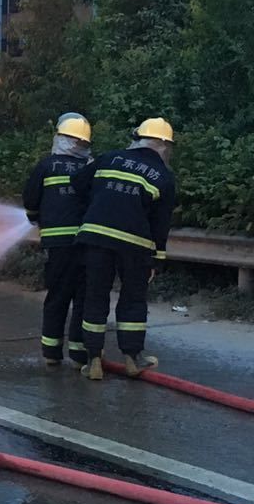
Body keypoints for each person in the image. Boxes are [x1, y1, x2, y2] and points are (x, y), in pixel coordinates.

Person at [72, 117, 177, 381]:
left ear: (137, 138)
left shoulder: (109, 158)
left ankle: (93, 360)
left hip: (96, 239)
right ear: (164, 146)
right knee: (133, 299)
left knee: (95, 297)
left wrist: (98, 201)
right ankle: (132, 359)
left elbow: (77, 182)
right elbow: (161, 224)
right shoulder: (163, 176)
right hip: (136, 246)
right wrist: (157, 259)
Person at [22, 112, 94, 370]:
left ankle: (52, 352)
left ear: (61, 138)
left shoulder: (46, 165)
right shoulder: (91, 167)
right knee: (83, 298)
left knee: (58, 296)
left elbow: (31, 198)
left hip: (57, 246)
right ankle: (78, 354)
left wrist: (35, 219)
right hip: (86, 243)